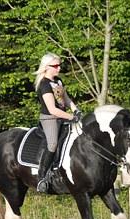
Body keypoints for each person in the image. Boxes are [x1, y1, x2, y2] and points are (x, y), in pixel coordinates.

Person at [33, 53, 82, 192]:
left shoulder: (58, 81)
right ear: (46, 67)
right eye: (55, 66)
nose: (59, 68)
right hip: (50, 119)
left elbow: (65, 99)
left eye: (59, 65)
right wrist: (71, 117)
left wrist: (76, 110)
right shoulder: (44, 85)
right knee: (53, 144)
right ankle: (41, 177)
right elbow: (52, 109)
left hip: (63, 117)